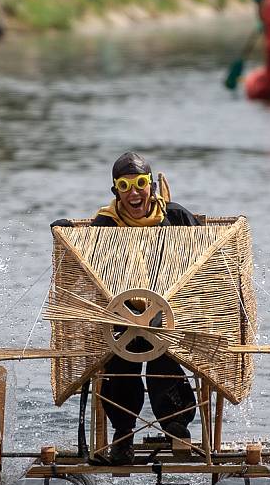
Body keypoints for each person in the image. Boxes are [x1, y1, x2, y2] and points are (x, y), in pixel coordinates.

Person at [53, 152, 199, 465]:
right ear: (116, 191)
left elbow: (204, 256)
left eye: (141, 183)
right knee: (122, 363)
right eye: (125, 185)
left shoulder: (175, 216)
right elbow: (87, 259)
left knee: (163, 354)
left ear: (152, 187)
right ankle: (123, 437)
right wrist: (69, 233)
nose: (134, 193)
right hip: (122, 314)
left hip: (169, 314)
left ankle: (177, 427)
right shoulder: (106, 223)